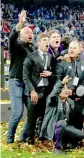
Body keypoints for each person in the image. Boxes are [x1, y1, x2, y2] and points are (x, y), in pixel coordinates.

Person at [7, 10, 35, 144]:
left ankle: (23, 137)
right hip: (16, 82)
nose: (30, 34)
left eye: (31, 32)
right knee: (17, 113)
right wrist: (19, 24)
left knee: (31, 113)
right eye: (26, 32)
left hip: (27, 84)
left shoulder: (33, 49)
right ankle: (10, 139)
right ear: (21, 35)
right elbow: (11, 38)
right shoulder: (16, 45)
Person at [39, 77, 84, 155]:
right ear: (59, 91)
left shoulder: (69, 102)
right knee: (62, 123)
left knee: (81, 134)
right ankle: (57, 148)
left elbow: (80, 109)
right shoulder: (52, 100)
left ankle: (66, 144)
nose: (66, 91)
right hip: (52, 128)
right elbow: (54, 92)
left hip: (65, 127)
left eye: (67, 89)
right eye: (63, 89)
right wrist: (61, 83)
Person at [23, 33, 55, 144]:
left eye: (48, 40)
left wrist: (50, 74)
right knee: (32, 116)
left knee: (43, 115)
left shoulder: (50, 57)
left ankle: (41, 137)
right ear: (39, 43)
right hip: (34, 91)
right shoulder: (31, 56)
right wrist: (32, 91)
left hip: (46, 91)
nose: (47, 42)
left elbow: (55, 74)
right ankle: (29, 138)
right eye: (44, 40)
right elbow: (25, 76)